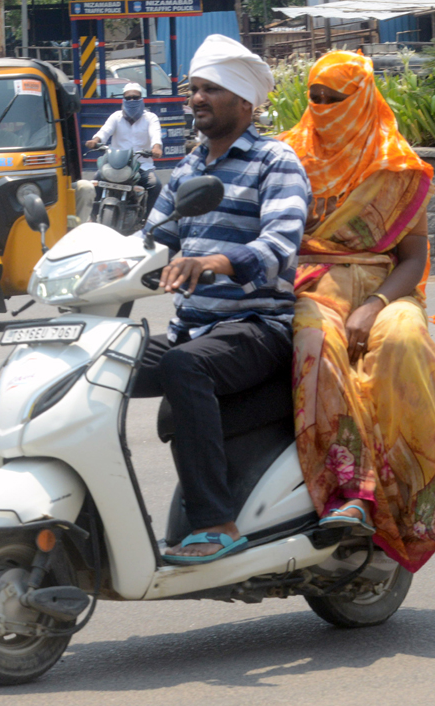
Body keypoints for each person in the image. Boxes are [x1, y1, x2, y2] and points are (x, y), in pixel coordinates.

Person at [278, 50, 435, 572]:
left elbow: (412, 257)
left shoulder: (397, 165)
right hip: (313, 281)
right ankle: (353, 490)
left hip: (382, 284)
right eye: (315, 97)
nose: (323, 108)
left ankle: (416, 491)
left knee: (403, 341)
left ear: (363, 98)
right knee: (314, 344)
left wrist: (374, 306)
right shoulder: (287, 156)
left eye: (335, 98)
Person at [133, 35, 311, 564]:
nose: (197, 99)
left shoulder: (273, 162)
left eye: (212, 89)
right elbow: (150, 242)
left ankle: (216, 523)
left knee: (186, 367)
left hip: (260, 326)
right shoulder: (187, 171)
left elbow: (280, 246)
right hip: (193, 328)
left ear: (244, 102)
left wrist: (211, 262)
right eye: (195, 88)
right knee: (99, 361)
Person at [85, 83, 163, 216]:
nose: (132, 101)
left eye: (135, 97)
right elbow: (104, 131)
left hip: (142, 166)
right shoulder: (116, 117)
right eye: (128, 98)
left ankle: (148, 221)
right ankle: (93, 217)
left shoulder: (150, 118)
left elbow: (155, 135)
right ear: (123, 100)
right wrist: (95, 141)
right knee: (97, 179)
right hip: (116, 165)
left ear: (141, 99)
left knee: (155, 185)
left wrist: (156, 148)